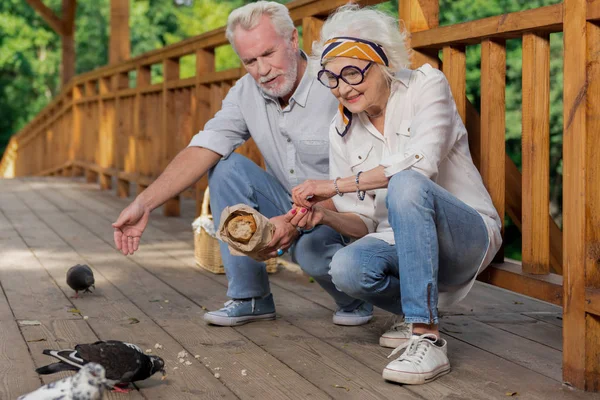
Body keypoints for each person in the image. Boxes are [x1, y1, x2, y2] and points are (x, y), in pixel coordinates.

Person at [111, 1, 373, 327]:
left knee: (311, 252)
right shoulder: (245, 93)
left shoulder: (336, 82)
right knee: (224, 166)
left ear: (293, 40)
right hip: (291, 205)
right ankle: (250, 297)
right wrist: (144, 203)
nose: (262, 70)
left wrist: (295, 220)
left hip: (347, 212)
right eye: (249, 60)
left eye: (268, 54)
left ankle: (356, 298)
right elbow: (203, 147)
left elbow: (364, 180)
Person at [286, 5, 502, 385]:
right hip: (402, 246)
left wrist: (333, 186)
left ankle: (425, 334)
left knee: (405, 181)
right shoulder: (340, 129)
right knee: (347, 268)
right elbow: (364, 221)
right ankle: (417, 310)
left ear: (381, 60)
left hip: (465, 236)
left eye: (352, 72)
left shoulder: (425, 85)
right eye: (331, 78)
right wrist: (327, 215)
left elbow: (420, 167)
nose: (344, 87)